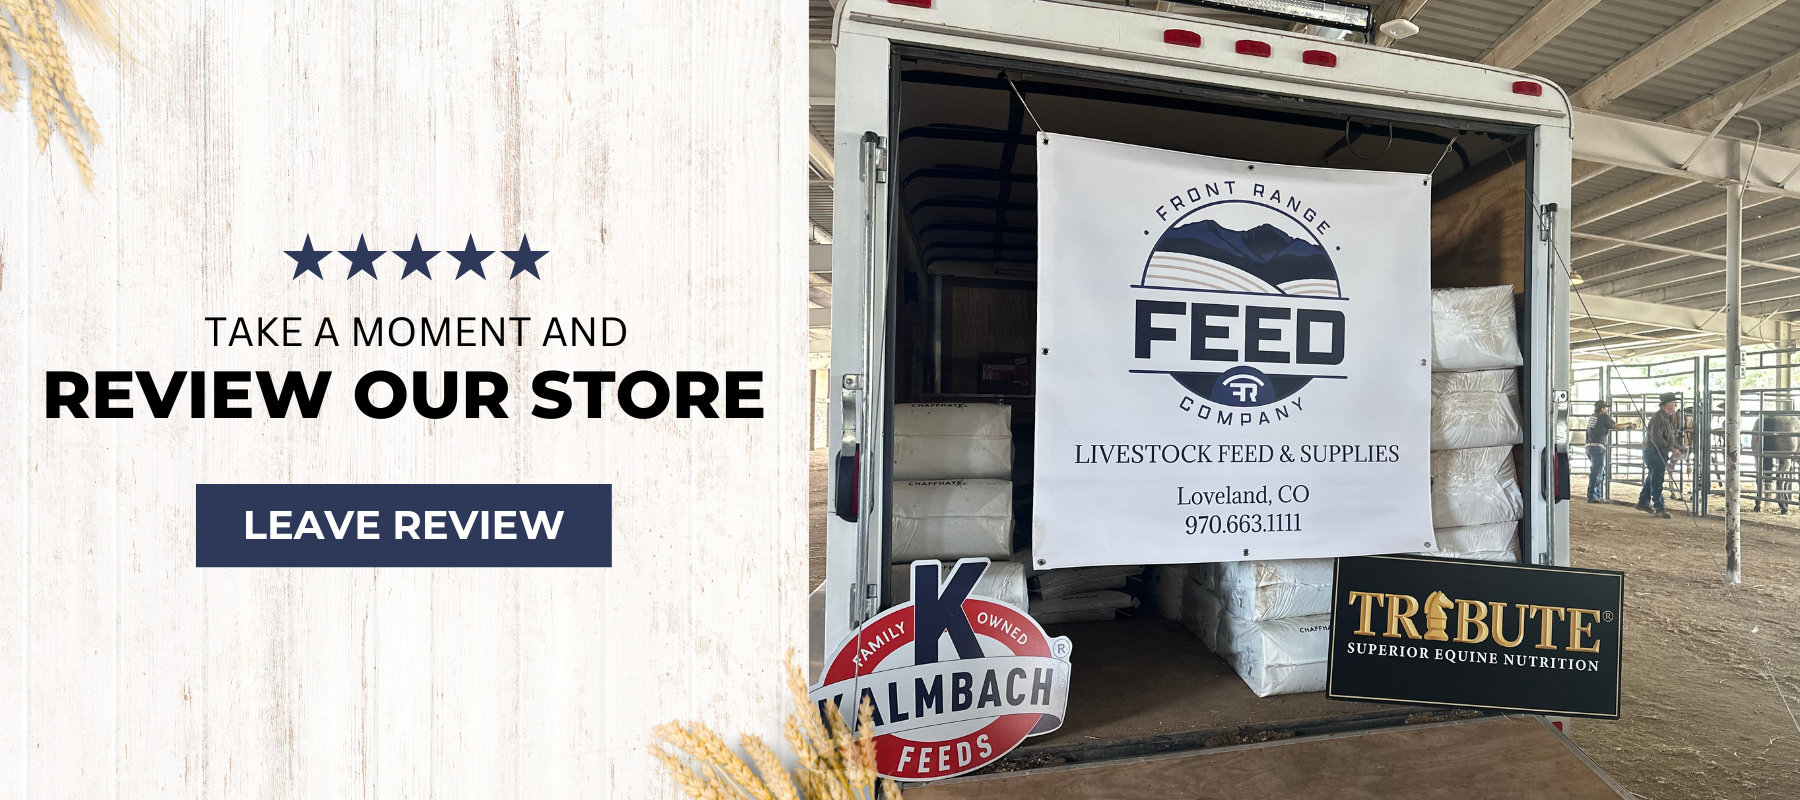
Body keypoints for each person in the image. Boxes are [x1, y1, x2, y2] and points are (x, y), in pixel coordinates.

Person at [1638, 392, 1683, 518]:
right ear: (1668, 404)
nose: (1674, 407)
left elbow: (1665, 437)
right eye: (1673, 404)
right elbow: (1656, 438)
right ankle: (1659, 507)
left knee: (1652, 477)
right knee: (1657, 479)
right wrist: (1671, 448)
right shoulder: (1659, 418)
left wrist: (1674, 446)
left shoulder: (1664, 417)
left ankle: (1643, 502)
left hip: (1656, 452)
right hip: (1655, 452)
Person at [1585, 401, 1634, 502]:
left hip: (1589, 446)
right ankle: (1592, 495)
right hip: (1597, 447)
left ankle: (1597, 496)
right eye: (1605, 408)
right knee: (1597, 472)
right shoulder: (1604, 417)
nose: (1606, 410)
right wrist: (1629, 424)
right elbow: (1617, 426)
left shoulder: (1593, 416)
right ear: (1602, 409)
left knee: (1597, 471)